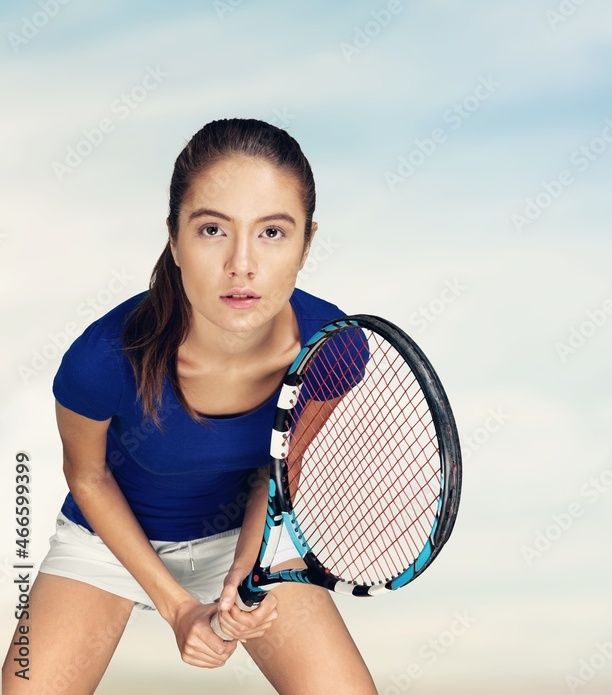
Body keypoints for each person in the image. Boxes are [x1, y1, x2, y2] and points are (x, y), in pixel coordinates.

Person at [2, 118, 378, 694]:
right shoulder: (102, 358)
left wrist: (240, 577)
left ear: (307, 241)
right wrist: (179, 607)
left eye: (273, 232)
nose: (242, 264)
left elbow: (275, 475)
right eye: (211, 230)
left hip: (242, 539)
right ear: (175, 238)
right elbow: (88, 475)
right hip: (108, 542)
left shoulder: (335, 348)